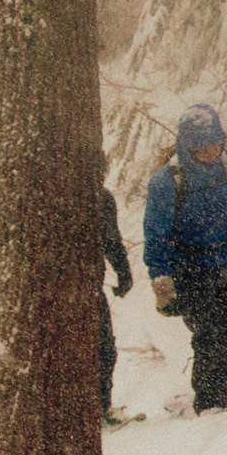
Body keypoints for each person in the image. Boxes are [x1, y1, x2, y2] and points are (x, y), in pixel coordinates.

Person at [143, 105, 227, 414]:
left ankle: (217, 374)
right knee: (208, 334)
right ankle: (209, 402)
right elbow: (156, 235)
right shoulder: (166, 183)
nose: (211, 153)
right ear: (187, 147)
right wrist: (161, 280)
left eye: (215, 145)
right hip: (189, 269)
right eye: (202, 148)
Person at [97, 181, 135, 424]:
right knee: (101, 350)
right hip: (64, 290)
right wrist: (123, 272)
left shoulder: (101, 197)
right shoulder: (98, 196)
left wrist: (123, 271)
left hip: (88, 288)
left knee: (104, 350)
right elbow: (111, 240)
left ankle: (100, 408)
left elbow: (111, 239)